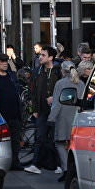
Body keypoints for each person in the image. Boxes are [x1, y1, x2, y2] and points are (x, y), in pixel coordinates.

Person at [26, 46, 61, 174]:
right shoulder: (37, 72)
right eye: (40, 55)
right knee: (40, 137)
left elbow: (63, 89)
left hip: (56, 111)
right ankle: (36, 164)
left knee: (55, 137)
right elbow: (32, 92)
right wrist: (34, 109)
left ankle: (58, 164)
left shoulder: (58, 72)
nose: (40, 57)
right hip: (41, 110)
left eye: (43, 55)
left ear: (51, 57)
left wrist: (55, 97)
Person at [50, 61, 88, 177]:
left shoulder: (60, 83)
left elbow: (56, 103)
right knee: (74, 144)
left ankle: (66, 169)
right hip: (76, 116)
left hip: (62, 116)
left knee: (60, 143)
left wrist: (51, 118)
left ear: (62, 71)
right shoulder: (81, 83)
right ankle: (75, 169)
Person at [0, 53, 23, 171]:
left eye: (6, 61)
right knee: (0, 140)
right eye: (2, 61)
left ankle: (15, 162)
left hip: (14, 113)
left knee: (15, 139)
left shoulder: (11, 75)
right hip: (0, 114)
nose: (5, 63)